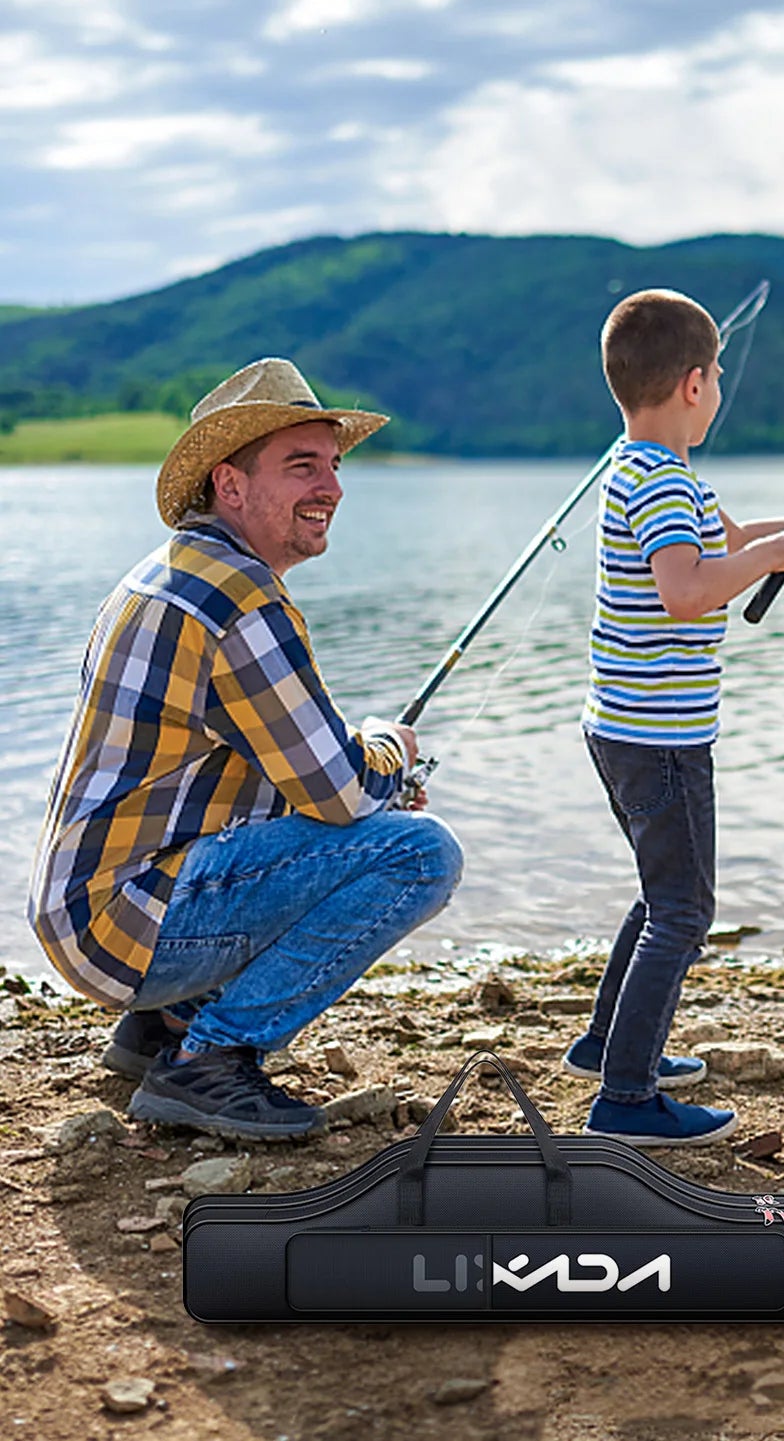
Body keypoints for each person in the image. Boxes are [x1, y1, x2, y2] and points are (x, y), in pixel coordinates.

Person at [27, 358, 462, 1140]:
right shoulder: (239, 599)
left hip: (84, 908)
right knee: (419, 854)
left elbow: (266, 774)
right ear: (229, 485)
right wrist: (389, 758)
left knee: (370, 827)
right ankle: (210, 1058)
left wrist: (368, 785)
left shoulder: (168, 571)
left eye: (331, 464)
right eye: (302, 466)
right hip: (125, 926)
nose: (330, 486)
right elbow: (340, 793)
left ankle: (159, 1028)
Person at [568, 289, 784, 1146]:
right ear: (692, 385)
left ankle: (608, 1045)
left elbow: (725, 540)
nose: (719, 385)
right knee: (683, 910)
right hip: (660, 740)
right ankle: (626, 1099)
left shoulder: (645, 469)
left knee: (660, 894)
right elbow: (686, 590)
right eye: (715, 373)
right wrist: (764, 558)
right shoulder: (660, 483)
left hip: (622, 725)